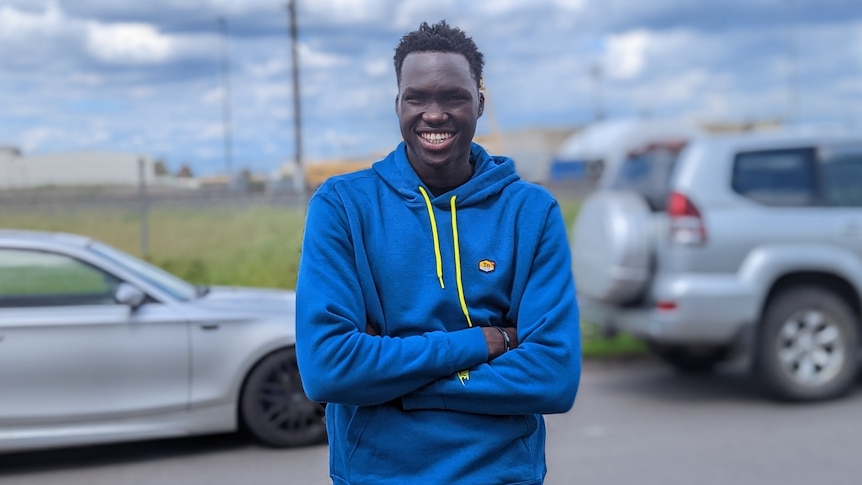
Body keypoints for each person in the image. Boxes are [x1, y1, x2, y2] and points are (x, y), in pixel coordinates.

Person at [296, 20, 581, 485]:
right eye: (417, 98)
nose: (434, 114)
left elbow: (553, 375)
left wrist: (390, 377)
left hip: (501, 474)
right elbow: (329, 369)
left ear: (479, 104)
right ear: (398, 105)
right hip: (377, 475)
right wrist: (487, 342)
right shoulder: (343, 206)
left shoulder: (530, 212)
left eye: (453, 97)